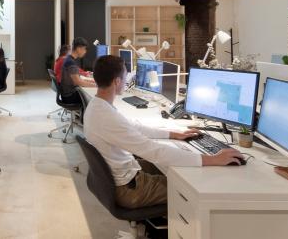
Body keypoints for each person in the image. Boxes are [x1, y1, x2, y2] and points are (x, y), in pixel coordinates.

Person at [84, 55, 245, 209]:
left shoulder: (97, 106)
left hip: (121, 174)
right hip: (127, 188)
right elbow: (153, 151)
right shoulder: (106, 116)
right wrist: (212, 159)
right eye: (125, 77)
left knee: (180, 169)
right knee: (188, 191)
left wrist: (172, 134)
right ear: (117, 81)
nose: (126, 81)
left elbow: (134, 127)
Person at [60, 37, 96, 104]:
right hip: (69, 97)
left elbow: (78, 79)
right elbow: (79, 82)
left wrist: (93, 82)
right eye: (84, 49)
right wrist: (97, 85)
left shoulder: (69, 59)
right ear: (78, 48)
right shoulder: (71, 62)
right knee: (93, 99)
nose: (85, 52)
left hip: (67, 94)